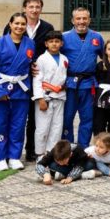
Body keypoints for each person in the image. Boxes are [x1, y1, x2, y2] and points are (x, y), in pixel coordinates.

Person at [0, 12, 36, 171]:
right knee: (0, 123)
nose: (19, 27)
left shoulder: (30, 44)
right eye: (16, 23)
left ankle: (14, 156)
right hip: (2, 88)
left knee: (18, 124)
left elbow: (30, 66)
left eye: (23, 24)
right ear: (10, 24)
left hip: (21, 88)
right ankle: (0, 157)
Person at [61, 7, 105, 147]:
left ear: (89, 20)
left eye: (84, 18)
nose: (81, 21)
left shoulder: (97, 37)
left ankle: (83, 148)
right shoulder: (64, 37)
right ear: (72, 20)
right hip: (70, 84)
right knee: (67, 117)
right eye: (78, 18)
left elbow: (106, 58)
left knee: (87, 118)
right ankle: (67, 147)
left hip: (88, 84)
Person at [22, 0, 55, 162]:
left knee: (36, 116)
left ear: (41, 9)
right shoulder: (16, 24)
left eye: (37, 7)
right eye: (31, 7)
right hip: (20, 76)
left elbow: (51, 49)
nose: (34, 10)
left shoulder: (47, 27)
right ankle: (13, 150)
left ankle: (32, 150)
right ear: (25, 8)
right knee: (21, 114)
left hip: (39, 77)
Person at [31, 30, 68, 158]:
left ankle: (52, 153)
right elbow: (37, 79)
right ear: (46, 44)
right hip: (45, 97)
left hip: (59, 96)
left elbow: (63, 78)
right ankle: (40, 154)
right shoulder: (41, 59)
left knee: (57, 128)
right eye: (51, 42)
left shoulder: (64, 59)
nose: (54, 44)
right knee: (42, 128)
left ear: (61, 43)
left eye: (57, 41)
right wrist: (40, 98)